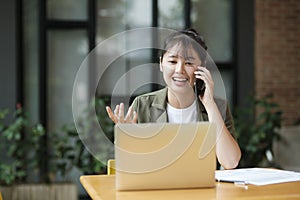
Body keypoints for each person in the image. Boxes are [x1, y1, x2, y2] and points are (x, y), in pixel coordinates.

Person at [106, 28, 241, 169]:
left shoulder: (217, 106)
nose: (179, 70)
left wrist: (209, 104)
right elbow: (130, 168)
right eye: (172, 61)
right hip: (158, 189)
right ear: (161, 64)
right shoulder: (143, 105)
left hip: (203, 190)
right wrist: (128, 140)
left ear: (202, 67)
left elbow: (230, 162)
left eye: (188, 63)